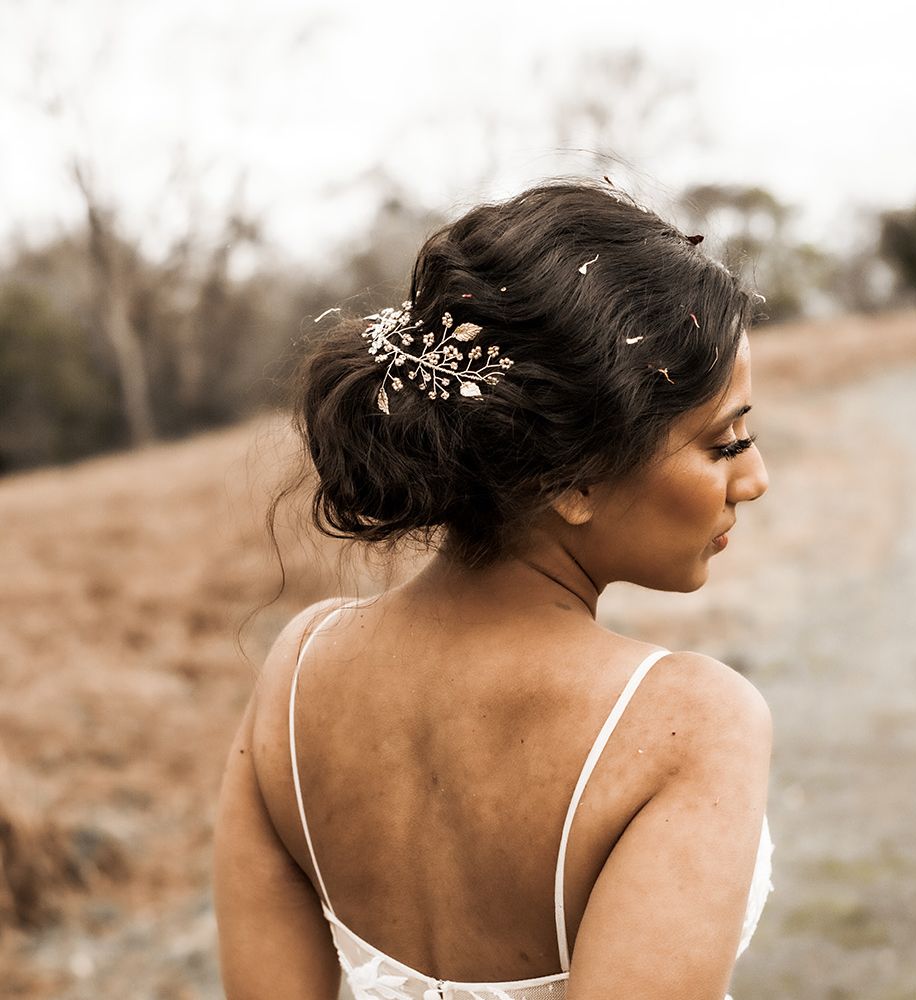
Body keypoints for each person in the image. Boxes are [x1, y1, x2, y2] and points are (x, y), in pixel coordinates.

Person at [213, 181, 774, 1000]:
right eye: (727, 442)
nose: (755, 479)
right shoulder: (689, 724)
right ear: (570, 477)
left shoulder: (297, 671)